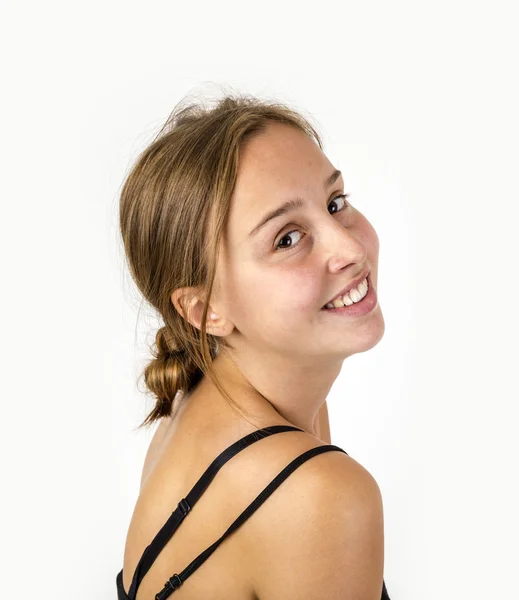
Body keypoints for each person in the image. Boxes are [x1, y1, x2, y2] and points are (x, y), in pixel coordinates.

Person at [116, 92, 390, 599]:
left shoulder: (197, 401)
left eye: (336, 204)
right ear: (204, 310)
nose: (350, 249)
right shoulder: (317, 493)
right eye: (287, 239)